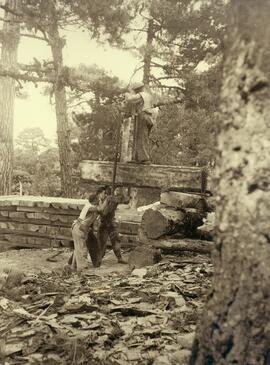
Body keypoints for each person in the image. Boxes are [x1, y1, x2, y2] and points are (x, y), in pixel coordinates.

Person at [68, 187, 107, 271]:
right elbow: (100, 209)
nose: (99, 201)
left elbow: (99, 213)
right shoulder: (89, 207)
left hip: (79, 228)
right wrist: (106, 200)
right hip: (78, 228)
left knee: (78, 248)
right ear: (94, 201)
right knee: (82, 249)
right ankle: (82, 268)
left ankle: (73, 266)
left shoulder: (91, 208)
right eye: (97, 200)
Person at [124, 82, 155, 164]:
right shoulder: (148, 95)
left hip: (143, 116)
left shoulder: (142, 95)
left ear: (138, 89)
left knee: (141, 137)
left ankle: (144, 159)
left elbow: (131, 100)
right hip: (147, 117)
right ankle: (137, 158)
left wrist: (127, 94)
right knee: (139, 137)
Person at [96, 186, 127, 265]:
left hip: (111, 223)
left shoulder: (112, 199)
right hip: (103, 223)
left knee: (116, 240)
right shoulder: (98, 201)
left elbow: (125, 200)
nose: (106, 195)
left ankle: (119, 258)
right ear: (100, 194)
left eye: (107, 193)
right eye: (104, 193)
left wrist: (115, 199)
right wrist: (106, 202)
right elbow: (104, 212)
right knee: (101, 242)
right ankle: (98, 260)